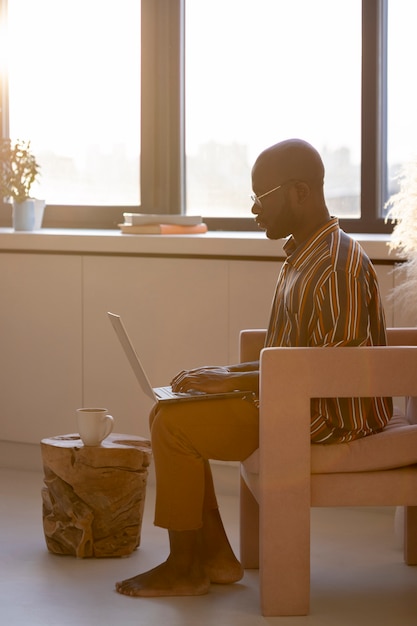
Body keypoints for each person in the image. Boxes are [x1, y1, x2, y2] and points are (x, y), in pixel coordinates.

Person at [115, 138, 393, 598]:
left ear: (299, 192)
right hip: (297, 396)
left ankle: (186, 567)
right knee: (168, 413)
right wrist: (224, 376)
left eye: (261, 196)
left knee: (174, 427)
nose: (253, 208)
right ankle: (216, 558)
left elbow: (329, 372)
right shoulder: (303, 256)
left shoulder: (335, 267)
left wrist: (229, 381)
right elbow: (289, 359)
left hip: (331, 415)